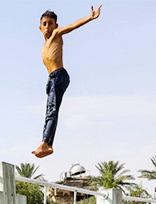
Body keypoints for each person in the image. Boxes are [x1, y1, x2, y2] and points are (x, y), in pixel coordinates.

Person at [32, 6, 102, 158]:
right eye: (44, 24)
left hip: (59, 76)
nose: (47, 27)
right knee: (50, 111)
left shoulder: (56, 34)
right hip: (51, 79)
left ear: (56, 25)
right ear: (40, 27)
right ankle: (47, 144)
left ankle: (45, 143)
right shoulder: (45, 45)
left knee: (52, 110)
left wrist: (90, 17)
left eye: (50, 23)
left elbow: (73, 26)